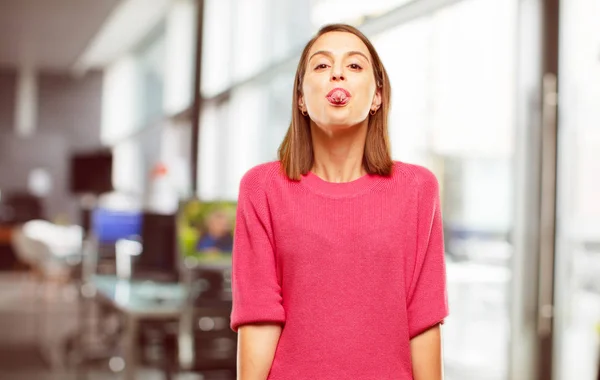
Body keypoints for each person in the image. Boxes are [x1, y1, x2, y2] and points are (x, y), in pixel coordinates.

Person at [230, 23, 449, 380]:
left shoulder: (418, 188)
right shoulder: (262, 188)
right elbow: (258, 317)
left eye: (354, 66)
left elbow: (423, 320)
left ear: (377, 95)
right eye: (321, 65)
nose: (337, 74)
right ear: (301, 98)